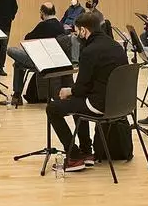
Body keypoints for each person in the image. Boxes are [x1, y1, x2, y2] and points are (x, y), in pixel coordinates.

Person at [47, 12, 127, 172]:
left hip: (100, 105)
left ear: (84, 30)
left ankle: (74, 156)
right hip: (120, 105)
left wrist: (68, 91)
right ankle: (86, 151)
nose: (76, 35)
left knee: (53, 108)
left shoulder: (90, 51)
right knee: (77, 101)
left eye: (77, 31)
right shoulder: (116, 46)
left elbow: (81, 88)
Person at [3, 2, 66, 106]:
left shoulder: (43, 25)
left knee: (10, 50)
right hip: (54, 60)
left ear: (42, 13)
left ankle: (17, 96)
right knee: (18, 63)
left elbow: (27, 37)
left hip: (41, 61)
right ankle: (16, 96)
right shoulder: (60, 25)